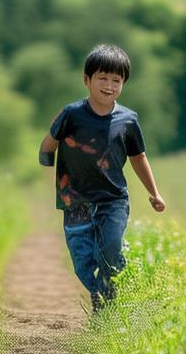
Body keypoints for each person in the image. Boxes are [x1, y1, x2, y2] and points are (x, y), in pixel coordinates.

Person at [39, 43, 166, 312]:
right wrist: (46, 165)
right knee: (83, 262)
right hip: (75, 201)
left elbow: (139, 157)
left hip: (113, 199)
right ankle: (100, 293)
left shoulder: (128, 120)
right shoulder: (71, 114)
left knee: (110, 252)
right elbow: (48, 144)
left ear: (123, 84)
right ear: (87, 80)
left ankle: (108, 305)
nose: (109, 85)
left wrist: (154, 193)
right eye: (103, 78)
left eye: (116, 80)